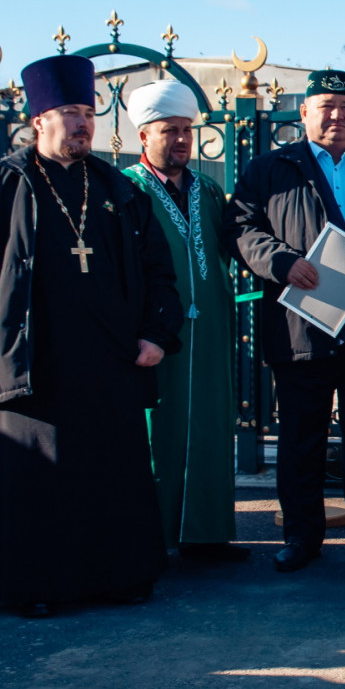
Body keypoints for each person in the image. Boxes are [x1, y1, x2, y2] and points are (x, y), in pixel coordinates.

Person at [0, 55, 183, 617]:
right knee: (38, 479)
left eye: (87, 113)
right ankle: (36, 584)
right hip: (33, 362)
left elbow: (158, 270)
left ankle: (119, 575)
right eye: (69, 113)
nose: (82, 124)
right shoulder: (0, 185)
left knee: (110, 474)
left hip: (110, 361)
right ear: (38, 120)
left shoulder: (117, 189)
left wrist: (156, 335)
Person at [226, 69, 345, 573]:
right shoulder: (272, 169)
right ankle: (302, 536)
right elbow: (241, 227)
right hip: (302, 324)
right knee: (301, 438)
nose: (338, 116)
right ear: (306, 112)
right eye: (327, 106)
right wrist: (279, 260)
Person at [123, 80, 244, 561]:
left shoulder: (209, 189)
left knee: (213, 426)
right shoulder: (126, 189)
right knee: (159, 430)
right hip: (155, 332)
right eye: (169, 130)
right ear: (144, 135)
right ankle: (154, 538)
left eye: (187, 131)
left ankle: (207, 535)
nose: (180, 141)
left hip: (211, 327)